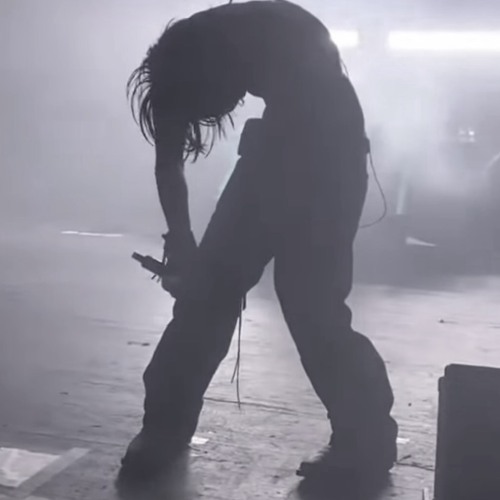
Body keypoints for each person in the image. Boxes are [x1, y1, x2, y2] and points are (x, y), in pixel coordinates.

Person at [121, 0, 398, 486]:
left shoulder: (270, 34)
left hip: (329, 152)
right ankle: (163, 428)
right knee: (211, 296)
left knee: (311, 305)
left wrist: (211, 256)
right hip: (277, 152)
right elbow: (169, 163)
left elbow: (313, 136)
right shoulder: (181, 72)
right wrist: (181, 240)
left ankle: (365, 443)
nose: (223, 111)